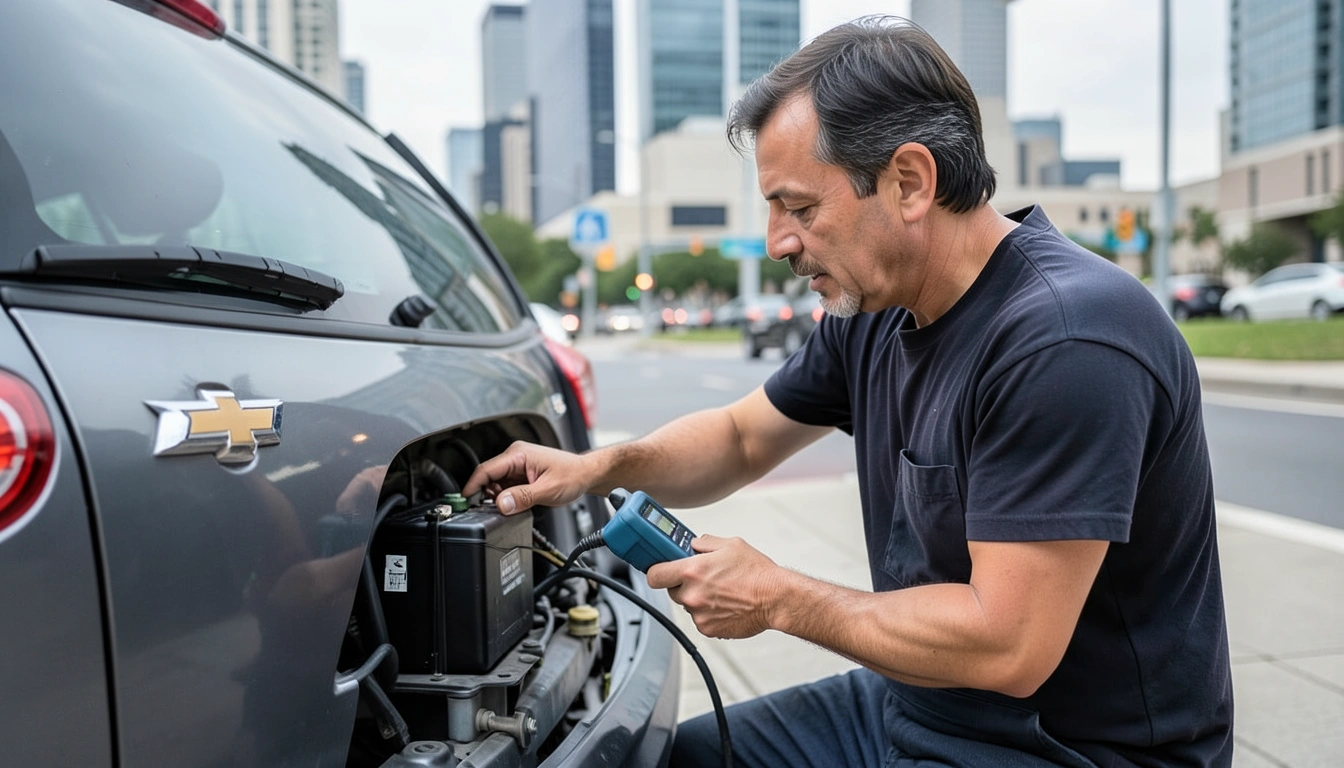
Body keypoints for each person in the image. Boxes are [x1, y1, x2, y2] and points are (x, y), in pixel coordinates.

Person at [464, 16, 1232, 768]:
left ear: (909, 182)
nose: (778, 242)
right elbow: (741, 438)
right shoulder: (876, 305)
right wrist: (600, 468)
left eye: (799, 207)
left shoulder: (1066, 341)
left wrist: (778, 597)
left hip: (1069, 745)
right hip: (922, 705)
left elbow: (1009, 646)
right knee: (682, 756)